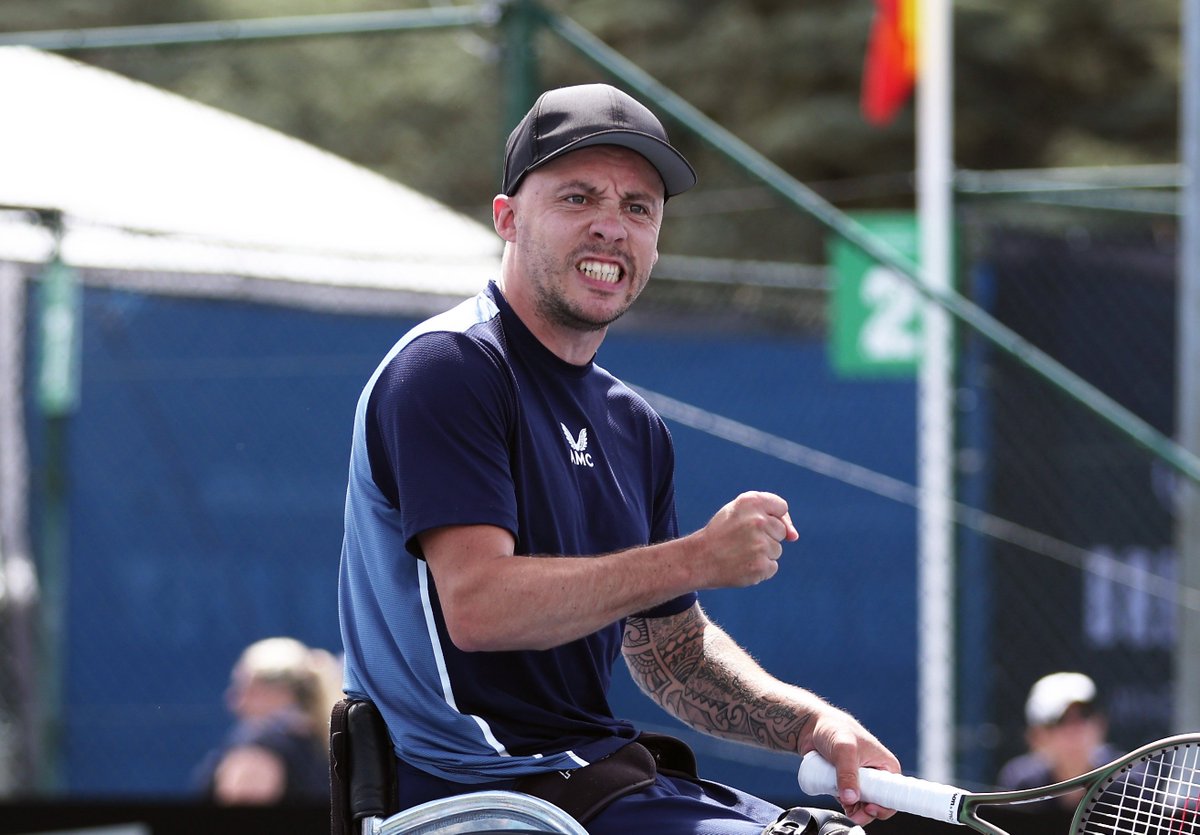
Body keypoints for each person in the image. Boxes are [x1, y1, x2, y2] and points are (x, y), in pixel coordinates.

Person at [337, 82, 899, 835]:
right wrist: (696, 556)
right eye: (578, 198)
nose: (611, 227)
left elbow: (672, 655)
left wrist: (812, 724)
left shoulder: (633, 426)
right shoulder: (448, 367)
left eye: (638, 208)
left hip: (587, 786)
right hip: (473, 801)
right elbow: (479, 606)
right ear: (507, 217)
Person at [195, 636, 342, 805]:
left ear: (280, 691)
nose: (234, 701)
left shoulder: (261, 744)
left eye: (245, 689)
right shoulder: (323, 738)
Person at [996, 672, 1121, 812]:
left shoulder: (1131, 782)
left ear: (1101, 724)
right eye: (1060, 721)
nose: (1076, 730)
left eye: (1085, 715)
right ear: (1036, 736)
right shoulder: (1021, 783)